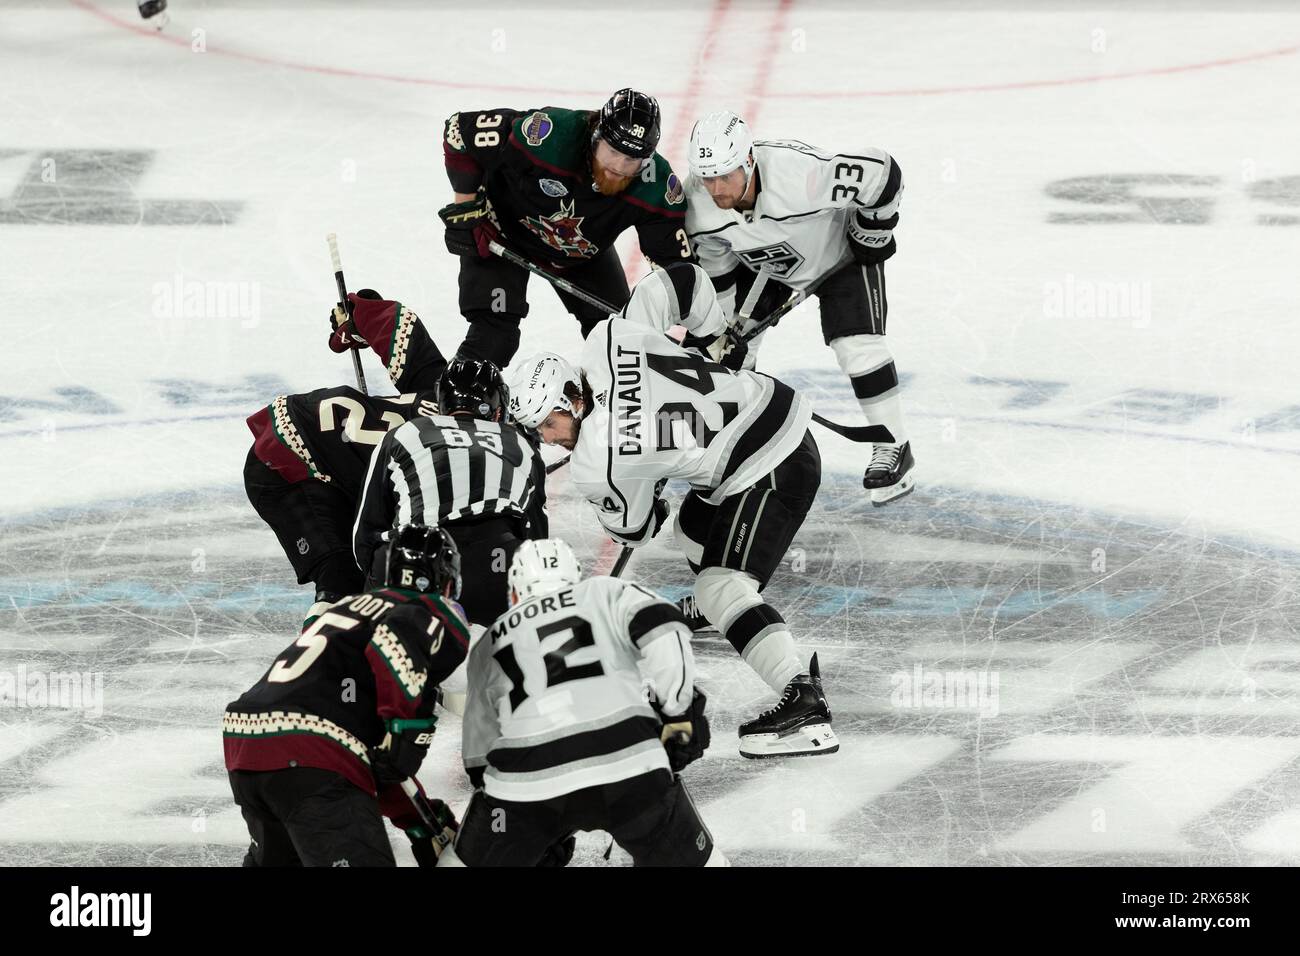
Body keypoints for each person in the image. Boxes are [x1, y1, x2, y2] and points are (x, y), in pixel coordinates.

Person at [507, 263, 837, 759]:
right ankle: (717, 612)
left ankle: (803, 699)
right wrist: (713, 338)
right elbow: (679, 281)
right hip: (771, 410)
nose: (548, 439)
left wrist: (645, 480)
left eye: (546, 425)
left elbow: (636, 530)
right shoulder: (609, 339)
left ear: (570, 401)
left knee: (721, 581)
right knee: (694, 525)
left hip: (770, 468)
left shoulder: (597, 462)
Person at [442, 538, 723, 867]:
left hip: (526, 789)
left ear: (515, 591)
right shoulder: (602, 590)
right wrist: (678, 713)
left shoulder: (489, 640)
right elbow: (666, 628)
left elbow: (477, 759)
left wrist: (527, 837)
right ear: (573, 577)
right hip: (630, 770)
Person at [685, 110, 915, 505]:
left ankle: (894, 445)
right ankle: (730, 449)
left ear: (749, 161)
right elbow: (717, 268)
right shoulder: (698, 202)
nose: (717, 188)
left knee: (857, 347)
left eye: (726, 175)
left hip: (838, 254)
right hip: (769, 266)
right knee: (727, 354)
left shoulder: (799, 174)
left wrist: (873, 232)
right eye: (707, 177)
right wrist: (721, 326)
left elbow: (883, 172)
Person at [223, 525, 469, 867]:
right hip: (309, 749)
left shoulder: (347, 610)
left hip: (248, 744)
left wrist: (423, 822)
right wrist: (408, 730)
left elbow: (363, 757)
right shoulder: (425, 608)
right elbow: (396, 641)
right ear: (446, 579)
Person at [439, 88, 692, 368]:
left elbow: (678, 272)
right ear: (596, 135)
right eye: (612, 152)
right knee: (494, 339)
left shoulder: (657, 186)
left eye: (631, 160)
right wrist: (465, 207)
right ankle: (453, 400)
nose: (618, 168)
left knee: (623, 341)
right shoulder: (549, 135)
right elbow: (459, 132)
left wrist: (703, 331)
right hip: (502, 234)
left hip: (580, 254)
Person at [244, 290, 447, 625]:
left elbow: (399, 325)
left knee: (361, 576)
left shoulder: (441, 390)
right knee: (341, 578)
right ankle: (320, 667)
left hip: (321, 456)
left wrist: (356, 317)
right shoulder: (448, 463)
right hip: (284, 468)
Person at [352, 358, 547, 626]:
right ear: (498, 409)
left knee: (388, 651)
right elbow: (537, 539)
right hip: (499, 564)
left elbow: (365, 533)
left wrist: (378, 581)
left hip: (418, 564)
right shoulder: (519, 442)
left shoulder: (403, 434)